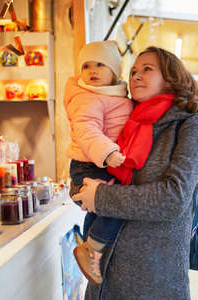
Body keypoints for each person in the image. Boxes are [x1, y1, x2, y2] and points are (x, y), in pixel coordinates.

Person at [71, 46, 198, 299]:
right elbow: (88, 172)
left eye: (147, 69)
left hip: (152, 275)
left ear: (171, 77)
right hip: (103, 270)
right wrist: (81, 189)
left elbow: (173, 198)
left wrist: (101, 196)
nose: (136, 76)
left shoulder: (192, 126)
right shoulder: (123, 120)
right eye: (133, 71)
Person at [63, 40, 133, 284]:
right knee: (115, 204)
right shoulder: (87, 98)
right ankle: (91, 249)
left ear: (114, 71)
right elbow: (86, 130)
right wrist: (109, 152)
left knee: (99, 208)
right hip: (91, 162)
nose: (92, 71)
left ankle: (92, 253)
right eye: (86, 66)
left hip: (100, 161)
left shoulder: (113, 95)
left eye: (100, 65)